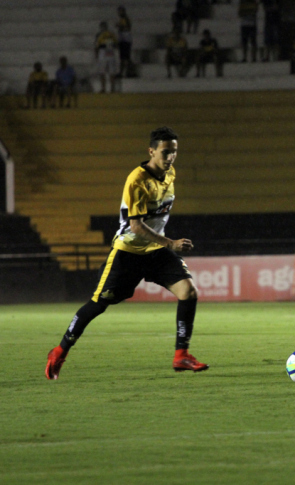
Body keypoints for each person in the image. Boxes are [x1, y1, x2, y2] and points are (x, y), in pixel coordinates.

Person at [45, 127, 208, 380]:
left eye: (174, 152)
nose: (171, 157)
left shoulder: (170, 174)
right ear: (151, 151)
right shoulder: (137, 180)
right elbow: (136, 225)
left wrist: (164, 245)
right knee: (98, 305)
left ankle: (181, 355)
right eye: (165, 152)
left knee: (188, 292)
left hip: (155, 251)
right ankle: (59, 351)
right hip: (127, 253)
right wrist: (170, 243)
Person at [95, 21, 118, 93]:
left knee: (110, 72)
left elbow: (116, 44)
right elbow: (97, 45)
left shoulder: (110, 34)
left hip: (107, 53)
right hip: (106, 53)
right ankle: (105, 88)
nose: (103, 28)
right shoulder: (101, 35)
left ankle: (111, 89)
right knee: (104, 72)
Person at [116, 6, 133, 78]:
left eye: (120, 11)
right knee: (123, 57)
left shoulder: (125, 19)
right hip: (123, 39)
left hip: (125, 39)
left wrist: (120, 26)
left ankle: (128, 72)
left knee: (125, 57)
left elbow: (127, 28)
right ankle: (123, 72)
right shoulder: (122, 19)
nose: (119, 13)